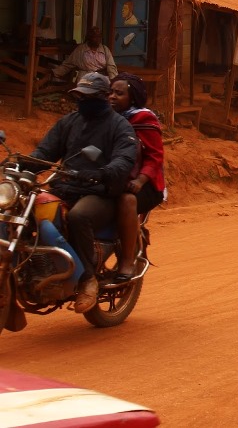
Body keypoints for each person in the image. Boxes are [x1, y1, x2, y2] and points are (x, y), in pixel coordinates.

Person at [28, 73, 137, 313]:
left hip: (101, 192)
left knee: (78, 216)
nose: (82, 102)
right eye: (79, 96)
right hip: (65, 187)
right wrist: (20, 165)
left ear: (102, 96)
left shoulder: (119, 126)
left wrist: (104, 172)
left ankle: (88, 279)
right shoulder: (69, 122)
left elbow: (125, 158)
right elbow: (44, 153)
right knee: (23, 208)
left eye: (87, 97)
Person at [108, 73, 166, 281]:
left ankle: (127, 259)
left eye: (119, 93)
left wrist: (140, 180)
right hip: (112, 178)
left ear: (132, 98)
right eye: (111, 92)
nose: (112, 97)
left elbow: (155, 156)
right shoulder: (105, 117)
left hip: (145, 183)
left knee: (126, 200)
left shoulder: (143, 118)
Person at [51, 26, 118, 82]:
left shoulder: (105, 49)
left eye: (99, 36)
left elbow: (111, 66)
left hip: (101, 78)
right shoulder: (81, 49)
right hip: (85, 78)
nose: (98, 39)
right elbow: (68, 64)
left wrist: (113, 80)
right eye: (95, 36)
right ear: (89, 38)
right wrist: (54, 72)